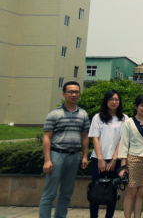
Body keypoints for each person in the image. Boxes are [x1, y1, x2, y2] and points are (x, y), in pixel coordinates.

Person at [39, 81, 90, 218]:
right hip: (57, 155)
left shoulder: (83, 114)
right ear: (64, 94)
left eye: (77, 92)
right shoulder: (54, 114)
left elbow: (85, 136)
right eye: (71, 92)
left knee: (66, 193)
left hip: (74, 156)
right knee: (49, 194)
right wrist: (47, 160)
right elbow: (47, 137)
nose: (74, 94)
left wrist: (85, 156)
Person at [89, 90, 128, 218]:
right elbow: (95, 138)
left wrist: (114, 159)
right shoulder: (97, 117)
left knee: (113, 190)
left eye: (116, 99)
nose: (114, 102)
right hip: (98, 159)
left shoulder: (124, 118)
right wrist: (101, 159)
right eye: (111, 99)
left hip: (116, 160)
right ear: (106, 101)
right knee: (96, 189)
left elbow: (123, 140)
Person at [118, 94, 143, 218]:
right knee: (131, 193)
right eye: (142, 105)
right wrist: (123, 167)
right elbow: (124, 144)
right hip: (134, 160)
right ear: (136, 106)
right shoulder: (129, 122)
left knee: (141, 194)